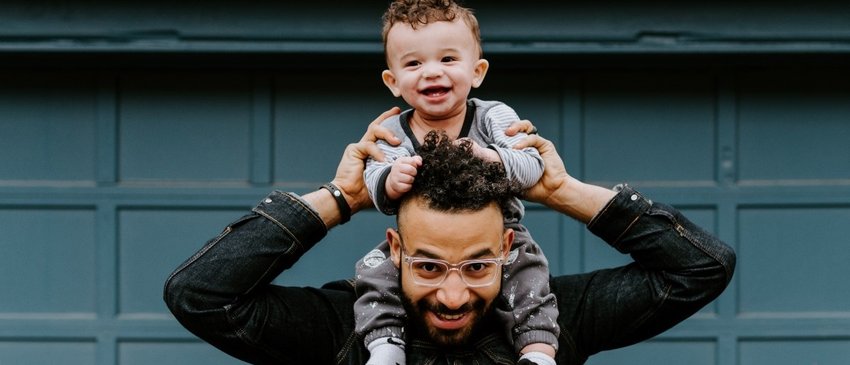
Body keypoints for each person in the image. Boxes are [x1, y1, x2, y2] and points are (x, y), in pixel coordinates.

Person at [163, 109, 736, 365]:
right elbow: (200, 295)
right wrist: (340, 200)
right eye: (430, 266)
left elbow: (701, 268)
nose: (454, 297)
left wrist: (561, 191)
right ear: (394, 251)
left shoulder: (556, 319)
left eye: (479, 266)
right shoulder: (345, 328)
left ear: (509, 250)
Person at [359, 1, 557, 363]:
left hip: (500, 231)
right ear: (393, 81)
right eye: (414, 63)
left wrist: (493, 158)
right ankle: (386, 345)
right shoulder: (391, 131)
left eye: (448, 60)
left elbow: (532, 166)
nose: (432, 72)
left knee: (530, 279)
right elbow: (373, 183)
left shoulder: (493, 117)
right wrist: (389, 180)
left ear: (477, 71)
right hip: (420, 242)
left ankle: (538, 350)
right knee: (375, 273)